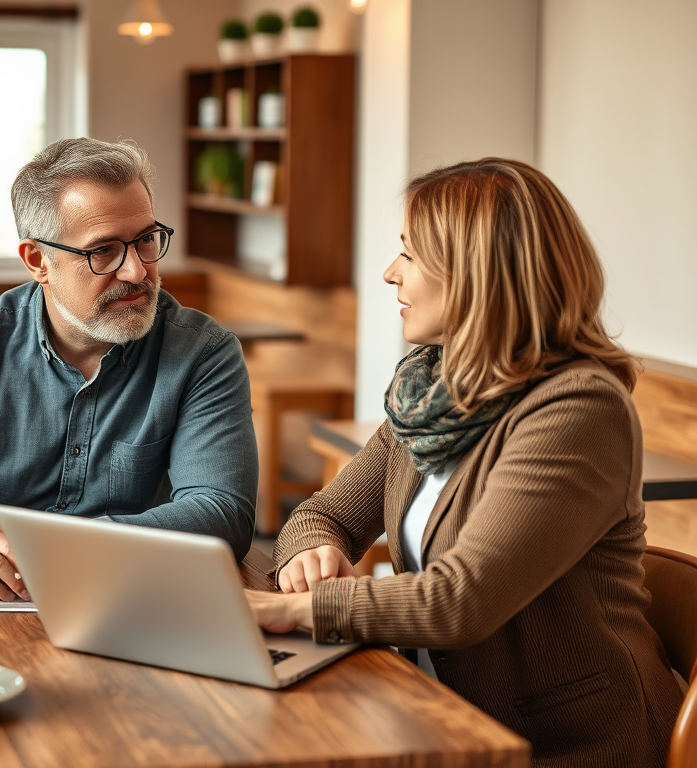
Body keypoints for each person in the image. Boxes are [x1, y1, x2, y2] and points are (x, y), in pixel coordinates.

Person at [246, 158, 682, 767]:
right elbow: (325, 512)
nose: (390, 273)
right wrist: (307, 553)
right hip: (434, 714)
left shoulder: (579, 409)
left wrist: (298, 607)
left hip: (567, 744)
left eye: (411, 255)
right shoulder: (434, 391)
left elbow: (459, 602)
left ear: (480, 274)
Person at [0, 137, 258, 601]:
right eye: (104, 251)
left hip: (128, 602)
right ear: (38, 262)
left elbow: (222, 513)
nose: (136, 271)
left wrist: (63, 548)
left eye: (147, 240)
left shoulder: (203, 353)